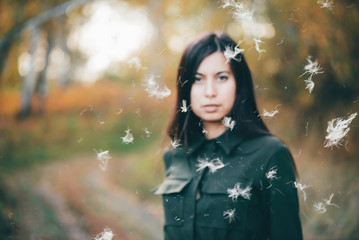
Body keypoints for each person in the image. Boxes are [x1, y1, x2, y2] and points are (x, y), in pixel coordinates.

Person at [152, 31, 303, 240]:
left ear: (239, 83)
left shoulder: (270, 155)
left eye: (222, 77)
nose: (210, 92)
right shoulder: (175, 155)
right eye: (197, 79)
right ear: (185, 88)